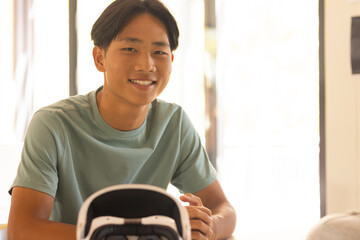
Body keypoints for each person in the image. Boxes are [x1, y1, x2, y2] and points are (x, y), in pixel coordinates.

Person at [7, 0, 236, 239]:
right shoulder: (52, 125)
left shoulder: (174, 124)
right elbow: (23, 229)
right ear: (99, 58)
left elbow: (224, 209)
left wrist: (206, 228)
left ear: (171, 60)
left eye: (159, 52)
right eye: (130, 49)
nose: (146, 65)